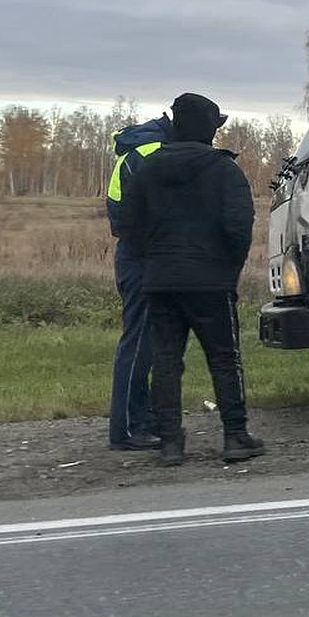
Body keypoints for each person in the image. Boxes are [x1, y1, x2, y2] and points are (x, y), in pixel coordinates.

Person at [116, 92, 264, 467]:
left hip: (161, 279)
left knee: (166, 361)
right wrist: (229, 271)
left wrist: (155, 260)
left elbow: (128, 227)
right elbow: (239, 227)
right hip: (211, 281)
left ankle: (170, 444)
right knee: (225, 359)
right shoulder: (224, 169)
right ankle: (235, 436)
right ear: (207, 129)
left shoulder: (148, 169)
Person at [105, 111, 174, 451]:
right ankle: (128, 429)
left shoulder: (143, 149)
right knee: (138, 344)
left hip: (140, 256)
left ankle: (141, 419)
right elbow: (129, 217)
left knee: (148, 343)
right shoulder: (152, 153)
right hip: (143, 259)